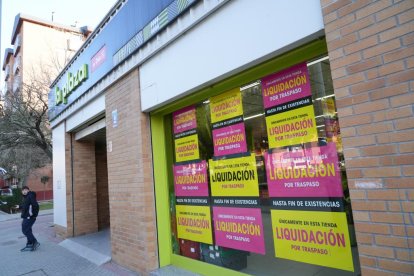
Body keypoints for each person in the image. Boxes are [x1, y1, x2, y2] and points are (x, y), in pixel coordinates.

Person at [19, 186, 40, 252]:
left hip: (30, 217)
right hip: (26, 216)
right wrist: (19, 206)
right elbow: (26, 206)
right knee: (28, 230)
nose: (24, 191)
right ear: (22, 191)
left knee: (25, 230)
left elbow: (35, 205)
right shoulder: (26, 197)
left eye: (26, 190)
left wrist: (33, 214)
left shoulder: (30, 196)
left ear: (28, 190)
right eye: (23, 190)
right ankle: (29, 244)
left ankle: (34, 242)